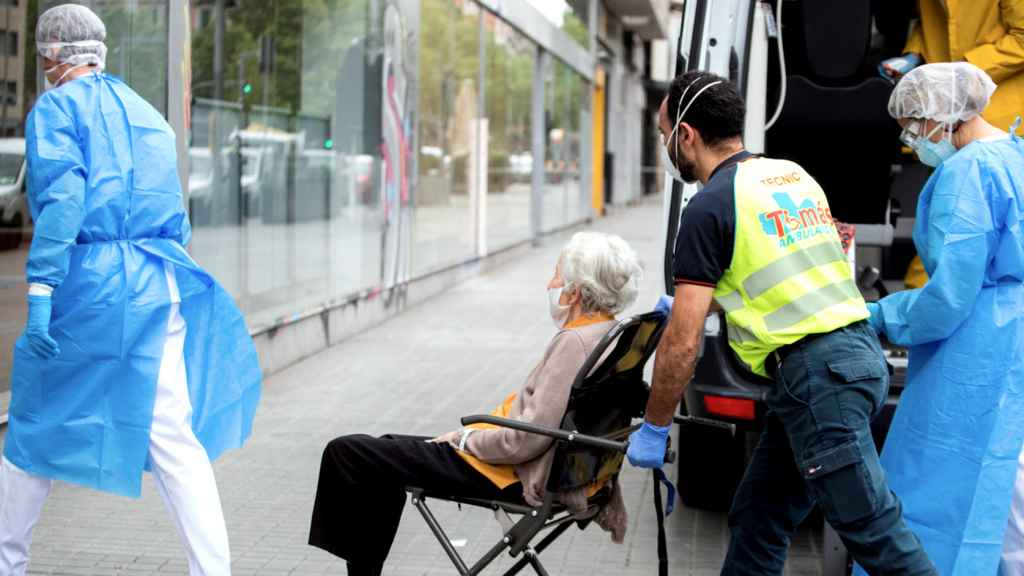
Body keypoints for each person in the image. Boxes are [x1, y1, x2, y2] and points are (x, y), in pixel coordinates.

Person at [626, 71, 937, 575]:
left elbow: (682, 348)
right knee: (759, 515)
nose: (665, 146)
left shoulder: (707, 206)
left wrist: (657, 426)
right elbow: (787, 275)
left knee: (873, 530)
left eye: (664, 135)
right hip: (851, 358)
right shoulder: (791, 175)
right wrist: (700, 302)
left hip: (819, 380)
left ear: (686, 134)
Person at [0, 5, 262, 576]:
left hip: (92, 286)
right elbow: (171, 203)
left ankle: (7, 561)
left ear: (50, 53)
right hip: (158, 278)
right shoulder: (144, 112)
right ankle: (213, 571)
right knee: (173, 436)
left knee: (33, 426)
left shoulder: (56, 108)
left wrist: (41, 291)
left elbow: (64, 203)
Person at [309, 231, 642, 576]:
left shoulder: (575, 342)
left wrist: (466, 439)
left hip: (507, 471)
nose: (550, 284)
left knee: (348, 453)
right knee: (381, 452)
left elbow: (526, 440)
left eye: (557, 274)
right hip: (537, 464)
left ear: (575, 291)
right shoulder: (610, 333)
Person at [862, 62, 1024, 576]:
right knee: (1007, 492)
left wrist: (876, 314)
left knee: (945, 486)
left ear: (943, 115)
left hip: (980, 350)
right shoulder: (1014, 153)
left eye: (913, 123)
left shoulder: (968, 173)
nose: (912, 139)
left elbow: (950, 296)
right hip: (1011, 339)